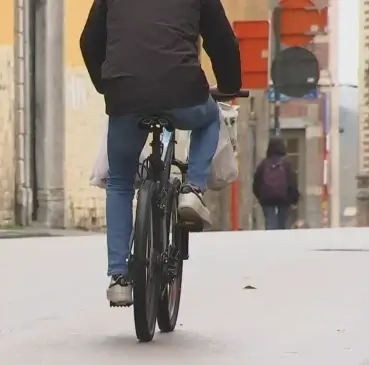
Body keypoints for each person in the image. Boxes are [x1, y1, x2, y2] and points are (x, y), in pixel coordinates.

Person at [79, 0, 242, 306]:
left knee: (120, 182)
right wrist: (230, 85)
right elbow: (222, 40)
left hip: (124, 94)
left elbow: (89, 40)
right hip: (182, 90)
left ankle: (119, 278)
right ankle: (193, 188)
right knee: (209, 119)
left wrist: (108, 85)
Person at [253, 138, 300, 230]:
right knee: (283, 222)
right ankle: (281, 241)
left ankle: (271, 240)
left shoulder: (264, 164)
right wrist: (294, 199)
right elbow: (292, 182)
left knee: (270, 221)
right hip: (284, 199)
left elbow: (256, 183)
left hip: (267, 199)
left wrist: (261, 197)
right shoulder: (287, 163)